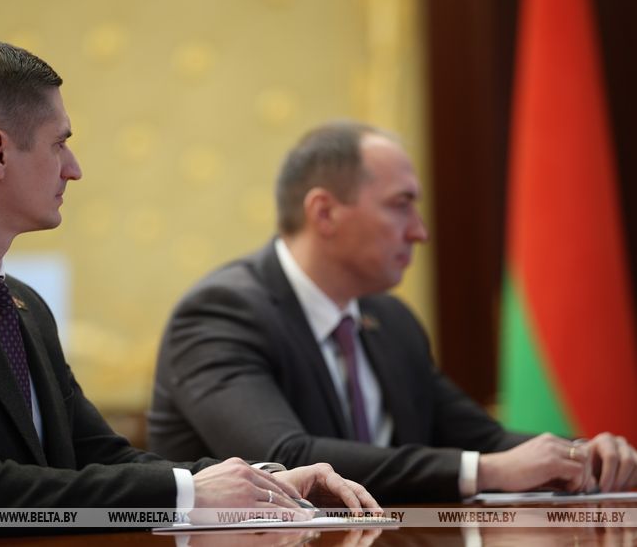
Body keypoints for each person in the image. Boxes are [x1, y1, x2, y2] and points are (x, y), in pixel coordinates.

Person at [0, 40, 379, 546]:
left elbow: (98, 456)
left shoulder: (21, 304)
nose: (74, 168)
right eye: (59, 142)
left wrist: (263, 484)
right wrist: (189, 494)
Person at [148, 119, 637, 504]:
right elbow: (283, 457)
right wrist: (485, 471)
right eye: (401, 205)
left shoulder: (391, 320)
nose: (420, 232)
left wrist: (581, 458)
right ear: (324, 213)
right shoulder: (220, 314)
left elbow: (482, 439)